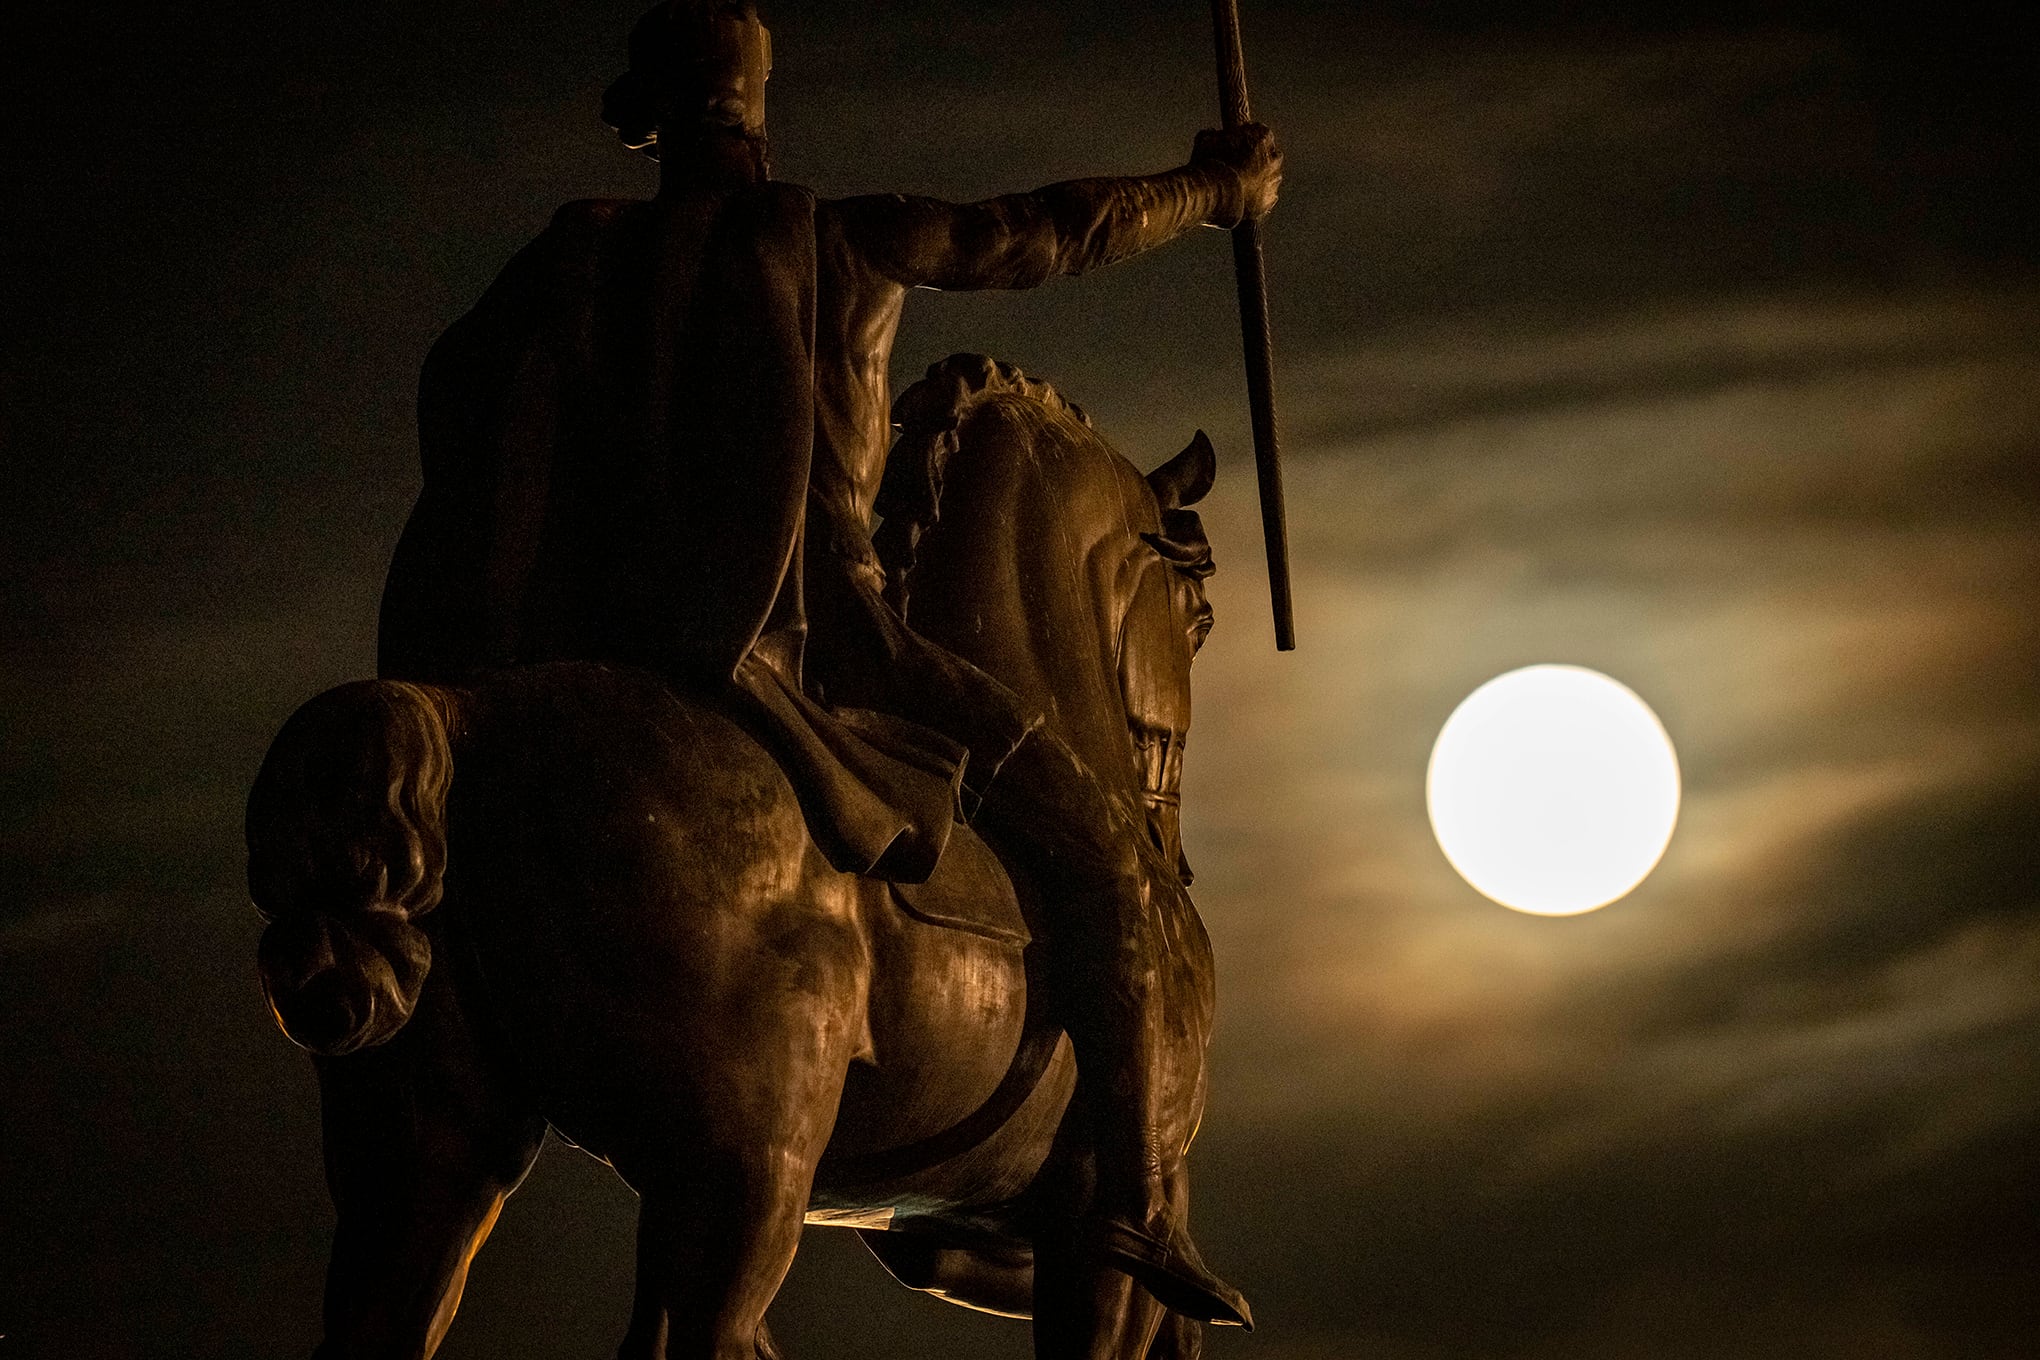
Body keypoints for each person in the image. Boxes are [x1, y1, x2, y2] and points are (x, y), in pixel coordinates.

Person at [378, 0, 1280, 1327]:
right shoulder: (846, 236)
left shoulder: (562, 263)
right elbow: (1048, 230)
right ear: (756, 101)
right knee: (1111, 864)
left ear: (651, 120)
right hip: (840, 638)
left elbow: (463, 415)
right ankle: (1140, 1206)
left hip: (586, 651)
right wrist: (1212, 187)